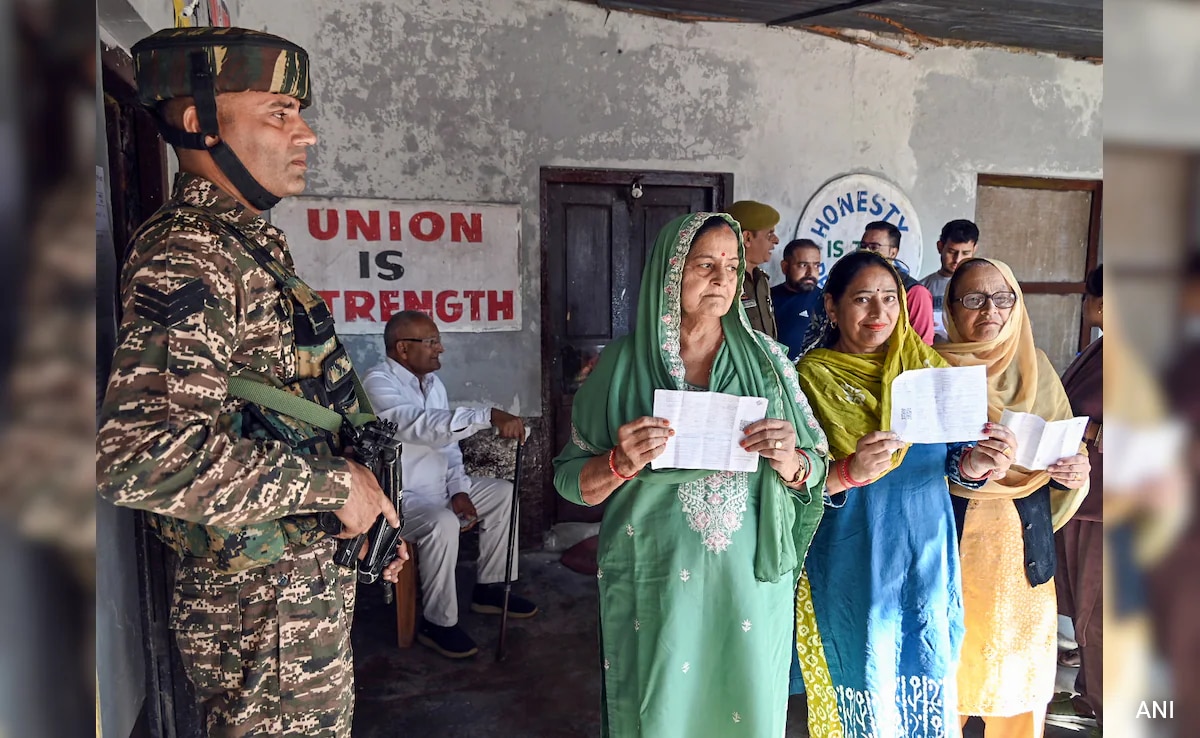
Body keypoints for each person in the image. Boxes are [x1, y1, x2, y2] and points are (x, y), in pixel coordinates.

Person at [96, 27, 406, 736]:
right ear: (199, 122)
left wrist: (356, 517)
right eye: (279, 112)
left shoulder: (241, 245)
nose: (306, 134)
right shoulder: (190, 255)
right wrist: (335, 486)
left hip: (287, 605)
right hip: (261, 622)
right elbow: (138, 455)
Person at [553, 212, 828, 737]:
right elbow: (571, 481)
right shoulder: (621, 367)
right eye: (705, 265)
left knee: (744, 707)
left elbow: (815, 468)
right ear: (670, 272)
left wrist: (791, 460)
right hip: (656, 576)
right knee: (662, 711)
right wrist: (618, 463)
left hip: (745, 581)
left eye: (732, 266)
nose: (723, 279)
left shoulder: (769, 363)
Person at [792, 250, 1015, 737]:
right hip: (849, 558)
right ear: (831, 306)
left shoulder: (927, 371)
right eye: (862, 299)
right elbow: (791, 487)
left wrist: (977, 464)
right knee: (860, 680)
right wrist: (848, 470)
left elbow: (958, 459)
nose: (879, 314)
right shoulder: (806, 382)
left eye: (889, 299)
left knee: (925, 674)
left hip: (925, 552)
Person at [936, 258, 1091, 738]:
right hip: (946, 549)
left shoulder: (1037, 367)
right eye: (974, 299)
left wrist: (1075, 470)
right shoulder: (930, 369)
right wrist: (971, 466)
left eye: (1003, 298)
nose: (991, 310)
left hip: (1022, 553)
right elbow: (910, 468)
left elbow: (1065, 451)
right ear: (951, 307)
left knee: (1019, 682)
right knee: (944, 680)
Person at [362, 311, 537, 659]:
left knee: (502, 494)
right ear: (402, 348)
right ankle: (438, 623)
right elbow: (416, 425)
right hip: (400, 500)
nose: (440, 348)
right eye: (431, 342)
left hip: (440, 489)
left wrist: (458, 489)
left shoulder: (434, 386)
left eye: (437, 340)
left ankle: (490, 588)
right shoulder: (377, 383)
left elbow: (446, 444)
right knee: (441, 523)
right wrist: (485, 415)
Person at [1052, 264, 1104, 728]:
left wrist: (1091, 430)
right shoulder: (1103, 348)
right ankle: (1090, 697)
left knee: (1103, 615)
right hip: (1082, 500)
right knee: (1082, 613)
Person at [858, 220, 935, 344]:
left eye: (874, 247)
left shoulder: (915, 292)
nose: (866, 251)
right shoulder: (854, 284)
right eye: (863, 246)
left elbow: (922, 349)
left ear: (893, 253)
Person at [726, 199, 781, 338]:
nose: (776, 240)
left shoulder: (762, 280)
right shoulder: (726, 280)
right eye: (770, 234)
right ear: (747, 238)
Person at [920, 219, 979, 343]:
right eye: (952, 252)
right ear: (940, 247)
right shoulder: (921, 288)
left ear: (974, 250)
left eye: (965, 253)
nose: (957, 259)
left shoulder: (979, 287)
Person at [771, 238, 823, 360]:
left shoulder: (828, 301)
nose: (810, 272)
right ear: (785, 267)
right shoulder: (767, 298)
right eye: (803, 265)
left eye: (816, 265)